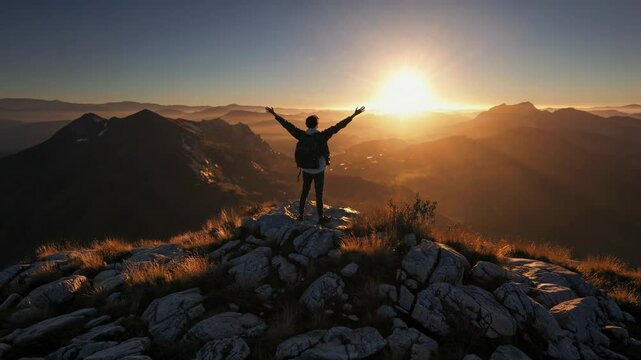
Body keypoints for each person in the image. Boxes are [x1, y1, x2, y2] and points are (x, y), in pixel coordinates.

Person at [265, 105, 366, 224]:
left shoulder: (301, 135)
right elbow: (338, 126)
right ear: (316, 124)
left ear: (307, 124)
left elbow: (287, 125)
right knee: (319, 193)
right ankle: (320, 217)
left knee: (304, 191)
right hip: (319, 169)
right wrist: (353, 115)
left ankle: (301, 215)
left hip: (306, 169)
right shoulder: (322, 136)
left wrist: (275, 114)